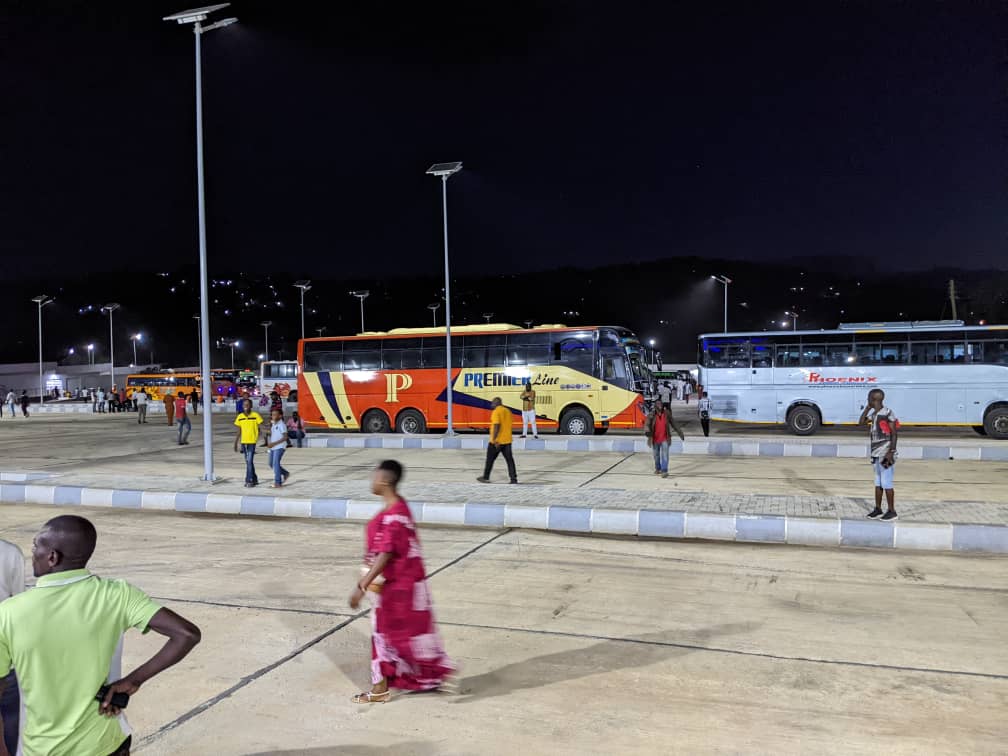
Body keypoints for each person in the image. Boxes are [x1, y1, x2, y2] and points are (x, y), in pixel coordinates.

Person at [0, 515, 200, 756]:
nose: (32, 552)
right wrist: (134, 680)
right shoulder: (118, 595)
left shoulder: (9, 613)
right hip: (106, 743)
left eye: (36, 546)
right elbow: (186, 634)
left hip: (42, 749)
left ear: (52, 557)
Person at [349, 460, 455, 703]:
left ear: (385, 480)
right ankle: (426, 677)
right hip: (406, 585)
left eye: (374, 476)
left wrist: (361, 585)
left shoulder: (395, 515)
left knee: (383, 636)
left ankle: (379, 690)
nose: (372, 480)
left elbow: (386, 553)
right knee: (403, 636)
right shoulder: (398, 507)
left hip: (396, 588)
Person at [0, 539, 24, 755]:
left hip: (6, 660)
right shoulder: (9, 552)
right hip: (6, 662)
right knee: (10, 727)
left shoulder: (10, 553)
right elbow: (19, 608)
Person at [859, 388, 899, 520]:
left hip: (886, 453)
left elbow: (894, 434)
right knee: (878, 482)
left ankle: (892, 511)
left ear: (873, 399)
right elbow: (861, 423)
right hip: (876, 453)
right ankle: (878, 509)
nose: (867, 400)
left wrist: (891, 452)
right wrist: (867, 409)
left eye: (869, 398)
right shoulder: (875, 414)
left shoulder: (888, 413)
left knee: (886, 482)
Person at [477, 397, 517, 484]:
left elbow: (496, 425)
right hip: (507, 441)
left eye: (492, 403)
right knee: (510, 460)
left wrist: (494, 439)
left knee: (490, 460)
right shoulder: (508, 411)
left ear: (496, 403)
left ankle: (486, 477)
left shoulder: (496, 412)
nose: (491, 405)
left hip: (497, 442)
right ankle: (513, 479)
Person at [644, 399, 684, 479]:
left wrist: (680, 433)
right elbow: (647, 424)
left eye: (661, 404)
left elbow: (674, 423)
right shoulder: (652, 414)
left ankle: (664, 470)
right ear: (655, 406)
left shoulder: (667, 414)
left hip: (665, 438)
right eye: (658, 404)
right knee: (656, 455)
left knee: (665, 455)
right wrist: (647, 431)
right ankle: (658, 468)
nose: (660, 405)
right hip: (655, 439)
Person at [234, 398, 264, 487]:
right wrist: (236, 443)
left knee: (249, 461)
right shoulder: (240, 417)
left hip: (252, 442)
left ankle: (249, 480)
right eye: (244, 405)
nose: (246, 406)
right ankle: (254, 478)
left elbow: (261, 425)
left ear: (251, 406)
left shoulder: (255, 415)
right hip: (244, 442)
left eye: (247, 405)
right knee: (248, 462)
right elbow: (239, 431)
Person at [264, 408, 290, 488]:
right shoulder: (274, 424)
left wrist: (274, 443)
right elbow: (274, 433)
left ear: (280, 416)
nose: (273, 416)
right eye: (272, 415)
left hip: (280, 447)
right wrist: (266, 432)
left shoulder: (281, 425)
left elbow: (285, 437)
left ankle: (277, 482)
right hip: (273, 447)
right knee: (271, 463)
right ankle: (285, 473)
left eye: (275, 415)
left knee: (275, 464)